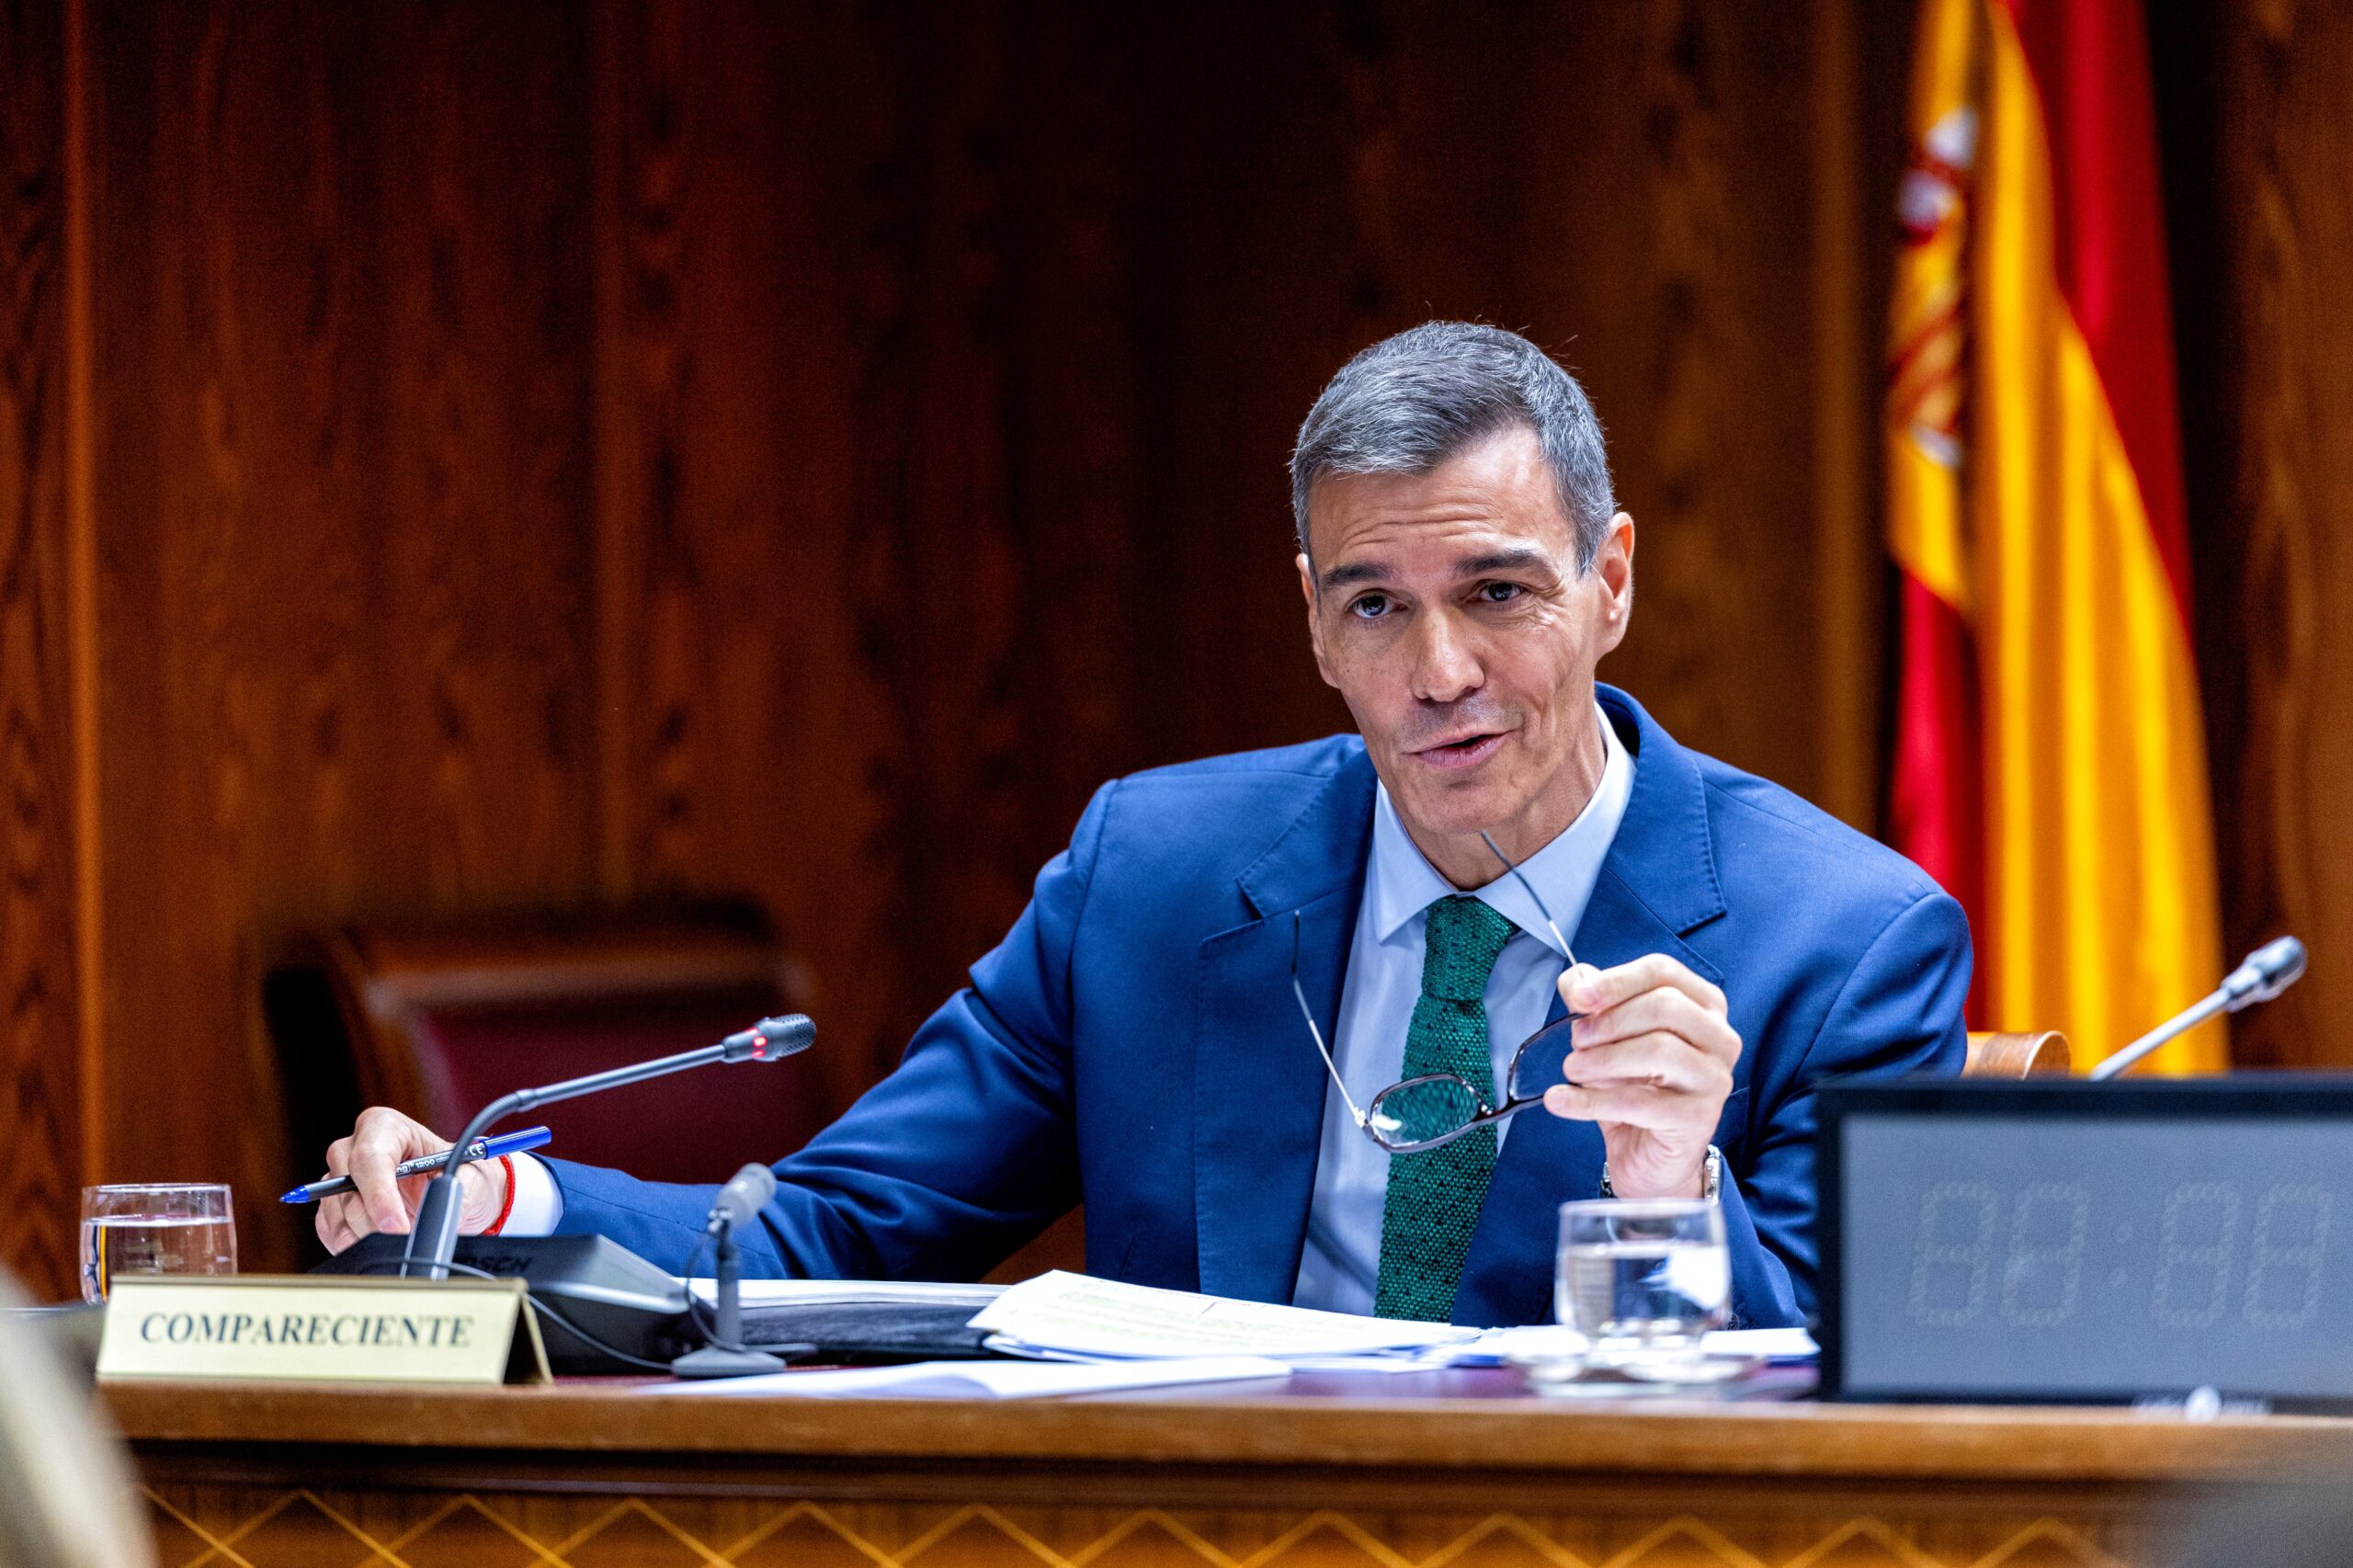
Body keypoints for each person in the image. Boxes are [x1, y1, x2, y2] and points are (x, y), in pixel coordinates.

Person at [316, 322, 1968, 1327]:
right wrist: (503, 1209)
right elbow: (831, 1233)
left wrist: (1681, 1194)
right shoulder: (1151, 877)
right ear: (1314, 626)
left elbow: (1860, 1385)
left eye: (1498, 592)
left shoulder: (1842, 933)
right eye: (1377, 606)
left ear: (1610, 582)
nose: (1442, 670)